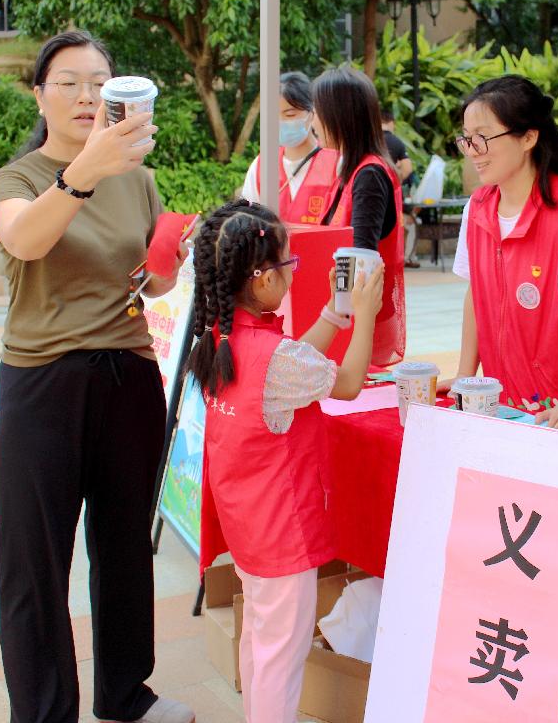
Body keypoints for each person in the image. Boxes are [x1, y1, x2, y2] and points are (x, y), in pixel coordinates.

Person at [0, 31, 194, 723]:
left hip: (128, 375)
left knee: (125, 546)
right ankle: (45, 712)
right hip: (43, 383)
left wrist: (169, 263)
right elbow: (26, 239)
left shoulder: (138, 178)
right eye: (68, 82)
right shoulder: (17, 179)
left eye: (99, 83)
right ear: (39, 96)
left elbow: (148, 283)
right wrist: (85, 171)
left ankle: (126, 694)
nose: (86, 96)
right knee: (34, 560)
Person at [190, 199, 384, 723]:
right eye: (288, 263)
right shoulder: (273, 358)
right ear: (261, 278)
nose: (294, 271)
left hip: (248, 525)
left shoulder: (220, 338)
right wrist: (364, 316)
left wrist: (333, 316)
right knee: (282, 656)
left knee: (261, 640)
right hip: (282, 533)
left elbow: (296, 367)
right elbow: (346, 382)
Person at [439, 74, 558, 434]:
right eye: (466, 138)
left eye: (483, 137)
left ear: (528, 137)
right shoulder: (477, 209)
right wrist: (465, 377)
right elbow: (476, 295)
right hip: (508, 401)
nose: (472, 150)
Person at [312, 66, 405, 366]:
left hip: (361, 327)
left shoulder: (369, 175)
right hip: (349, 319)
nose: (313, 122)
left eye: (317, 113)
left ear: (339, 116)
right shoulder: (351, 169)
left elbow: (361, 261)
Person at [242, 71, 339, 223]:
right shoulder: (262, 165)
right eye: (274, 116)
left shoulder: (336, 163)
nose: (281, 122)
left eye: (290, 115)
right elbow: (248, 221)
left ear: (312, 113)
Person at [381, 110, 419, 268]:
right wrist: (396, 179)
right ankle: (403, 259)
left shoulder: (370, 140)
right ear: (391, 123)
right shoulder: (397, 142)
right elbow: (408, 168)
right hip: (392, 198)